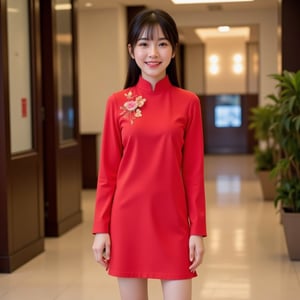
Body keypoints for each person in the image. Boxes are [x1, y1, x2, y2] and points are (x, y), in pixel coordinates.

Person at [92, 8, 207, 300]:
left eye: (162, 43)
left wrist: (198, 231)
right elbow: (108, 173)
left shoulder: (188, 103)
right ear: (132, 50)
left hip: (174, 222)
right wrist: (100, 229)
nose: (152, 52)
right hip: (128, 221)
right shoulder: (117, 103)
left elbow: (193, 173)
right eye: (144, 43)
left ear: (173, 51)